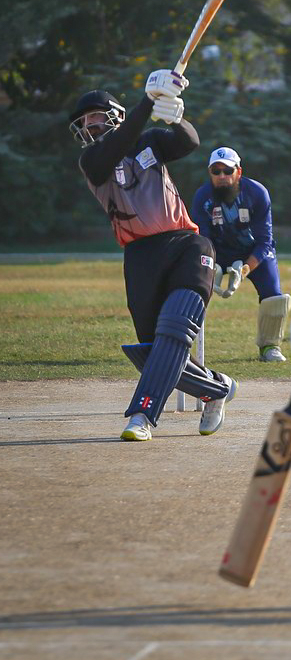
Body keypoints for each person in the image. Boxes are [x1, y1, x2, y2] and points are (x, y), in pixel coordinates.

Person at [68, 70, 238, 442]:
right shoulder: (92, 162)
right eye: (83, 121)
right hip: (140, 256)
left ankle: (142, 415)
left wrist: (175, 117)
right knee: (153, 352)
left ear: (115, 114)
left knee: (175, 328)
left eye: (95, 116)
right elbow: (113, 150)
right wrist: (148, 101)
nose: (89, 124)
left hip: (186, 245)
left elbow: (189, 142)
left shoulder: (148, 142)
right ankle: (217, 388)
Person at [191, 147, 291, 363]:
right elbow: (202, 239)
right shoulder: (202, 197)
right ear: (210, 173)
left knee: (274, 296)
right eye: (216, 171)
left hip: (252, 252)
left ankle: (270, 346)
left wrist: (244, 270)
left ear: (239, 172)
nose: (222, 176)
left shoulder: (257, 193)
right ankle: (181, 345)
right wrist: (212, 265)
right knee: (191, 289)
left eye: (228, 170)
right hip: (218, 252)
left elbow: (265, 241)